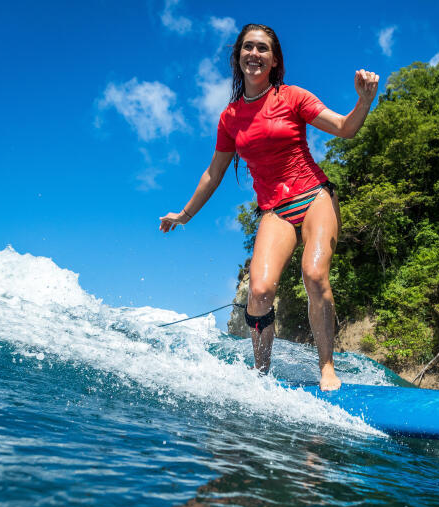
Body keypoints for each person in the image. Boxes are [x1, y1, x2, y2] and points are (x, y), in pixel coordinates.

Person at [159, 23, 378, 391]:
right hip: (275, 210)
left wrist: (364, 100)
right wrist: (184, 215)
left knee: (314, 273)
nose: (254, 54)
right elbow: (214, 173)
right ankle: (262, 375)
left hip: (314, 196)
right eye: (248, 47)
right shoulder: (230, 118)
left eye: (263, 49)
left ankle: (327, 367)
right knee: (258, 293)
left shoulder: (292, 97)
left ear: (274, 60)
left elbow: (344, 128)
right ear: (238, 57)